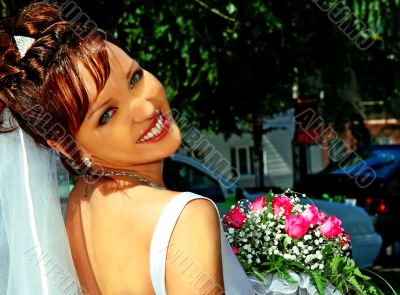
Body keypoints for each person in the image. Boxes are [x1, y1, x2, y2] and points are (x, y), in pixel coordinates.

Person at [0, 2, 254, 294]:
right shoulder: (187, 218)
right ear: (66, 147)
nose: (146, 108)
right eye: (107, 114)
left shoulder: (79, 204)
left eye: (135, 78)